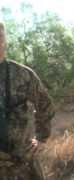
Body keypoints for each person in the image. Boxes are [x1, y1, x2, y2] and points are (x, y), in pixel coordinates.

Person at [0, 22, 55, 179]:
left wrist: (41, 137)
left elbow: (46, 105)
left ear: (4, 40)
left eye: (0, 36)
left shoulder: (23, 74)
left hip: (25, 163)